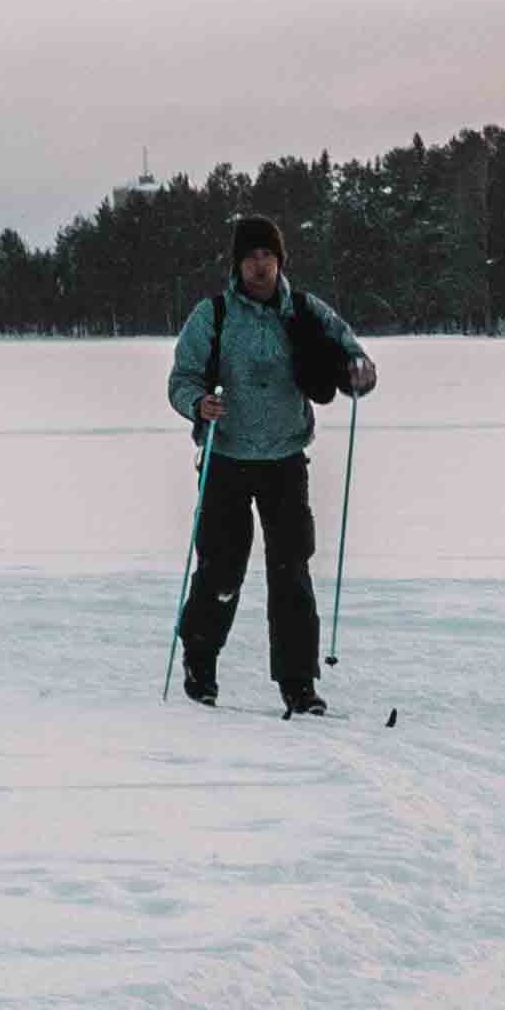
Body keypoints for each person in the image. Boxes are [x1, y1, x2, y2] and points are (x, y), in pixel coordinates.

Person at [166, 213, 375, 712]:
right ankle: (200, 663)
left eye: (267, 256)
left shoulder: (305, 310)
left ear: (280, 261)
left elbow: (353, 357)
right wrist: (198, 404)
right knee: (220, 572)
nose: (260, 266)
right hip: (226, 460)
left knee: (292, 574)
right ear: (237, 265)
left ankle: (299, 684)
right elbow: (181, 380)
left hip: (285, 461)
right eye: (250, 257)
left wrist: (360, 373)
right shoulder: (212, 316)